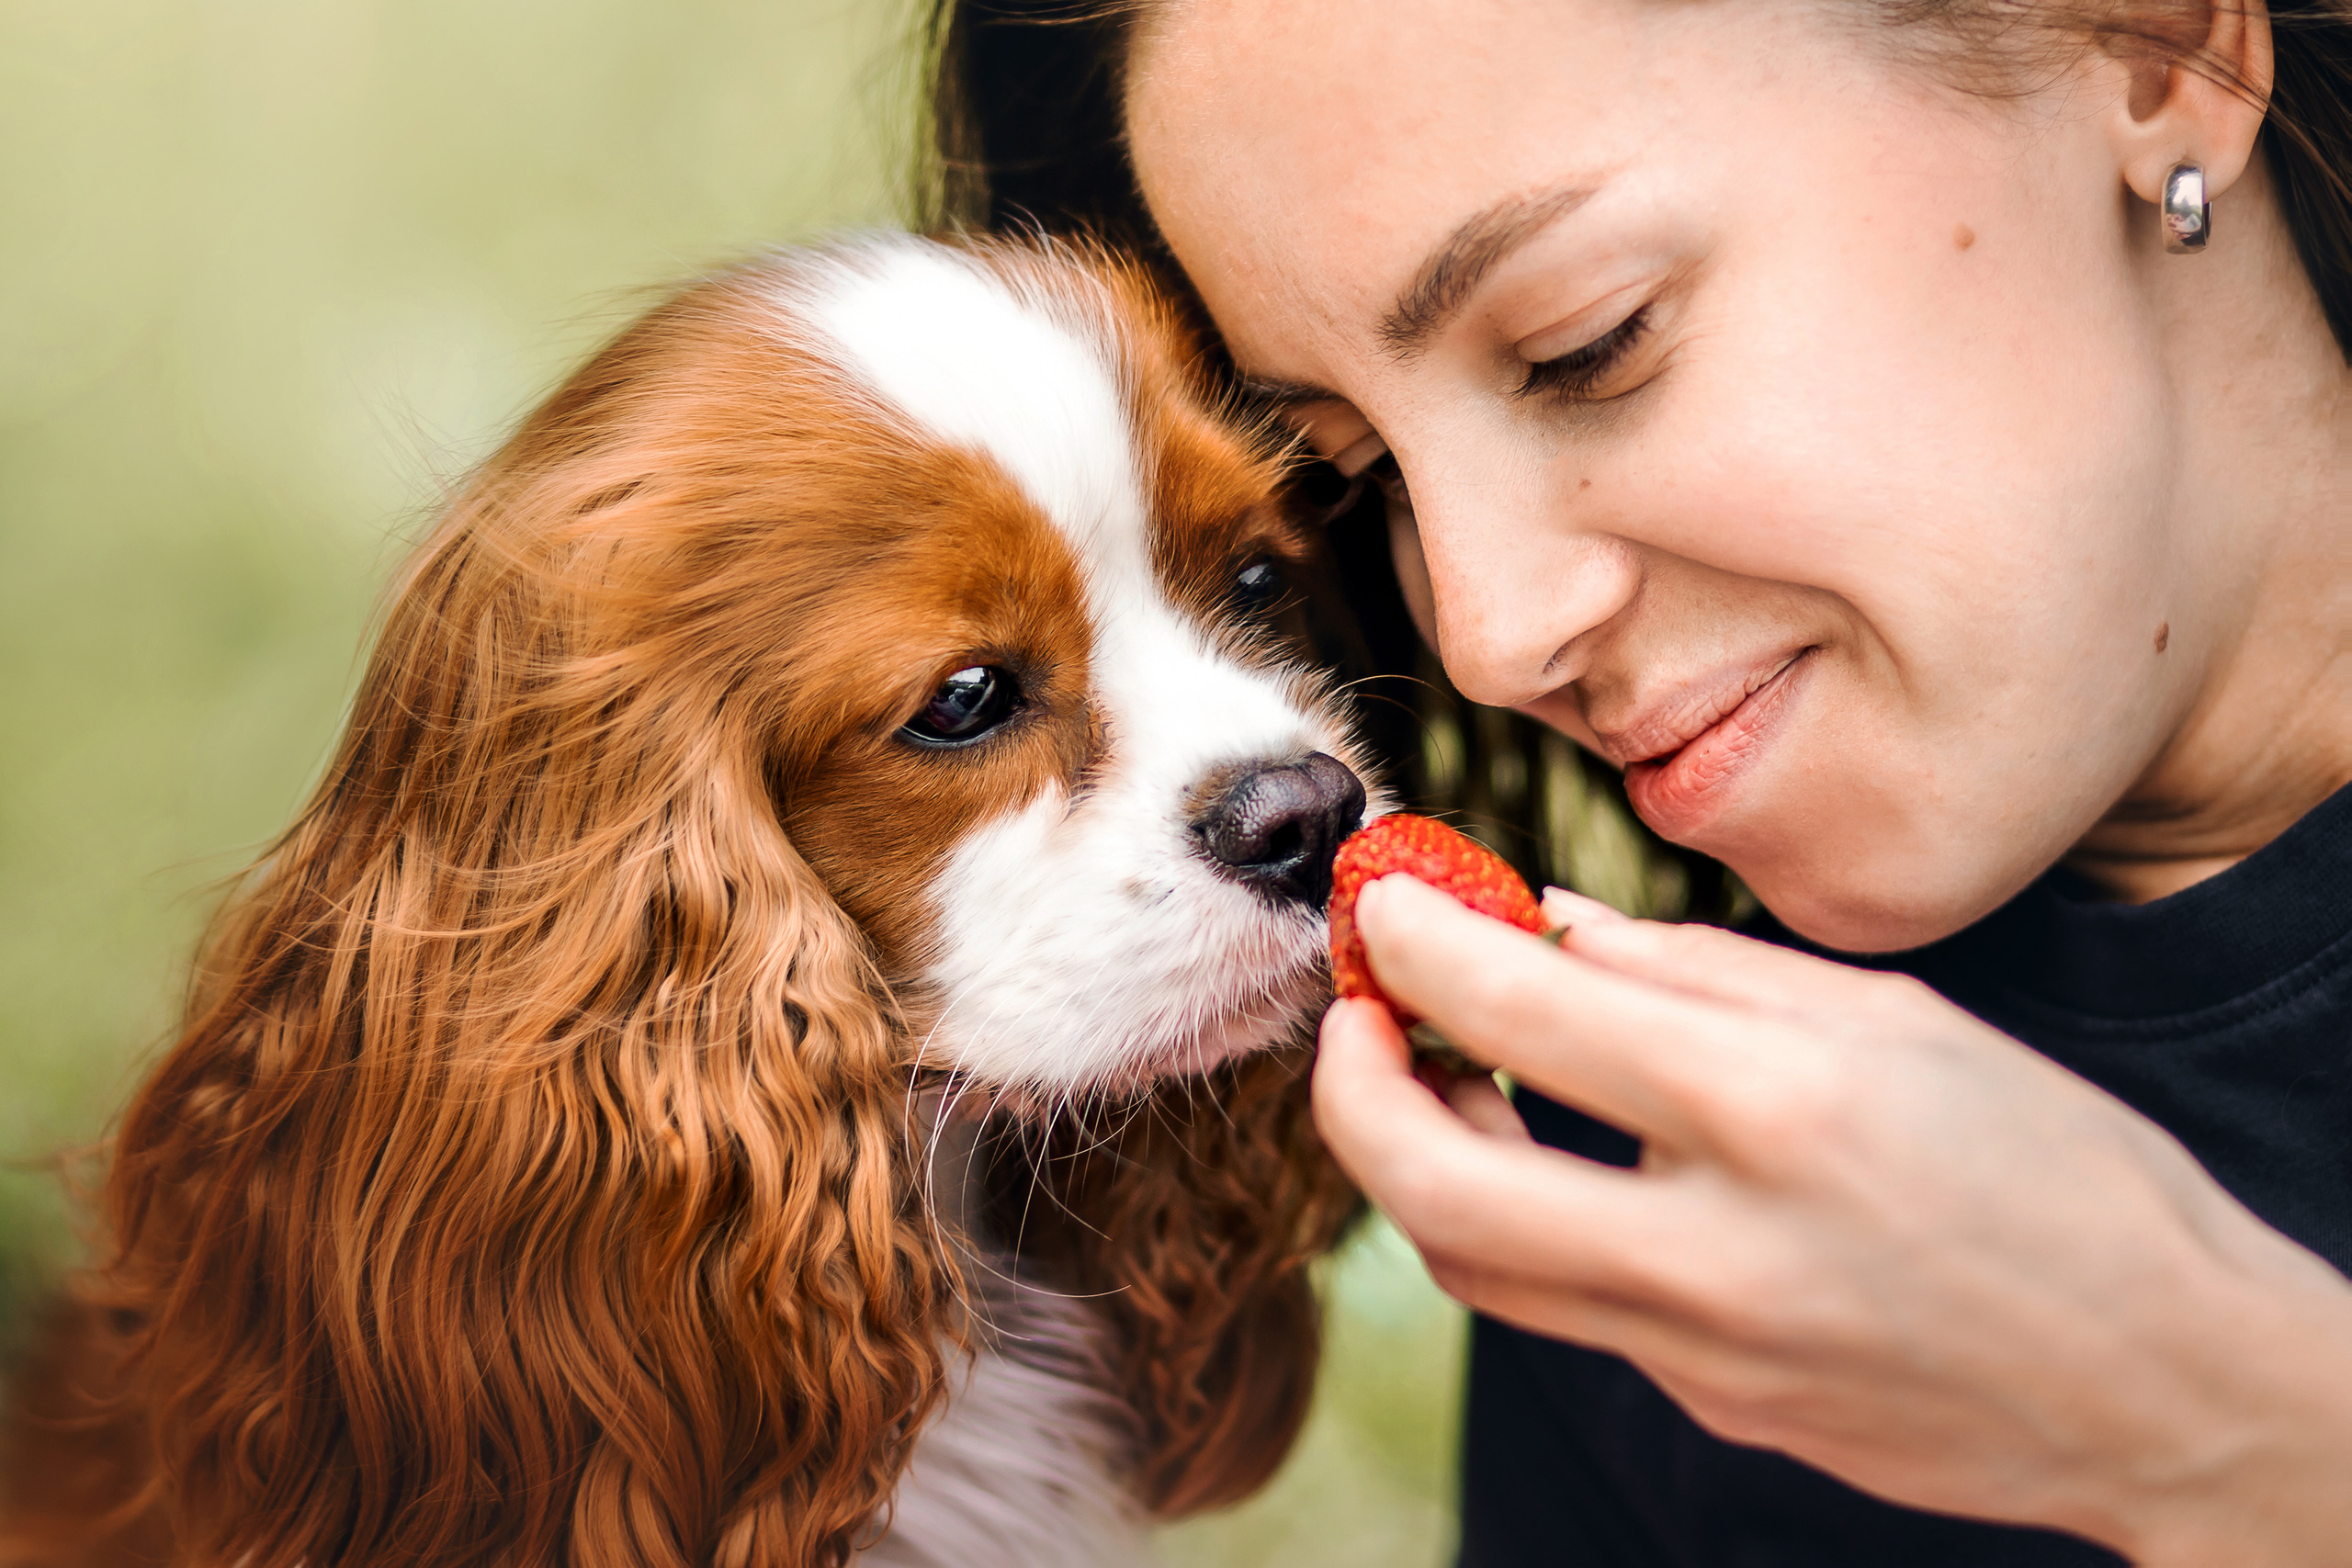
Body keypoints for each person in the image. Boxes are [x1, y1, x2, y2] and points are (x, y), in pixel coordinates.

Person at [926, 0, 2352, 1562]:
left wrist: (2226, 1428)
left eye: (1585, 345)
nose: (1486, 635)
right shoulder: (1673, 1203)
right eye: (1362, 477)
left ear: (2152, 53)